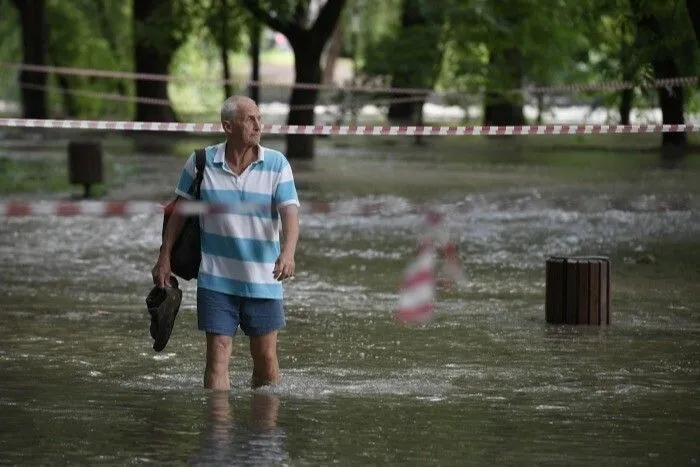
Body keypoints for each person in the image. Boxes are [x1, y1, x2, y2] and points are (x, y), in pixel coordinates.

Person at [152, 95, 300, 390]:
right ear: (227, 126)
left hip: (263, 280)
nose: (259, 125)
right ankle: (218, 432)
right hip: (216, 280)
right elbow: (179, 212)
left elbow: (290, 212)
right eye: (250, 119)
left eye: (259, 118)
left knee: (265, 359)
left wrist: (288, 252)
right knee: (217, 356)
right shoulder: (200, 162)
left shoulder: (277, 164)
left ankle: (263, 432)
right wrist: (164, 256)